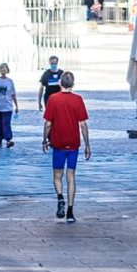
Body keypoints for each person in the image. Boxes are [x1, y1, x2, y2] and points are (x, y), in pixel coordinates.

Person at [42, 65, 91, 222]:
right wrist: (87, 145)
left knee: (57, 175)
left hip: (58, 143)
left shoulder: (53, 99)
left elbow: (48, 123)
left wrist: (44, 139)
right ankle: (70, 211)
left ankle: (60, 197)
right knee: (71, 176)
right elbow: (83, 124)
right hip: (73, 143)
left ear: (59, 83)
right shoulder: (78, 100)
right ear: (73, 84)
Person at [0, 64, 18, 150]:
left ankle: (8, 140)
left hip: (7, 107)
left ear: (7, 70)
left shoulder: (10, 81)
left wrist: (16, 106)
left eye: (4, 68)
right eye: (1, 68)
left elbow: (13, 94)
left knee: (6, 123)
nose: (3, 70)